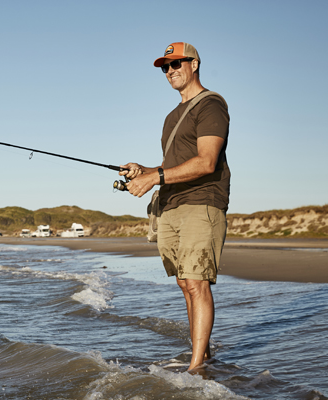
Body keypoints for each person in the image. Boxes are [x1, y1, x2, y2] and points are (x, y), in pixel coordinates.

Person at [120, 42, 230, 371]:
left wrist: (156, 178)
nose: (170, 71)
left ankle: (196, 367)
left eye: (177, 63)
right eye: (165, 67)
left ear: (194, 64)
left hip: (202, 202)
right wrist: (145, 171)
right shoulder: (171, 117)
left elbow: (207, 162)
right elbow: (173, 164)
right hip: (171, 205)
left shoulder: (211, 105)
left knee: (197, 282)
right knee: (185, 282)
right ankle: (204, 354)